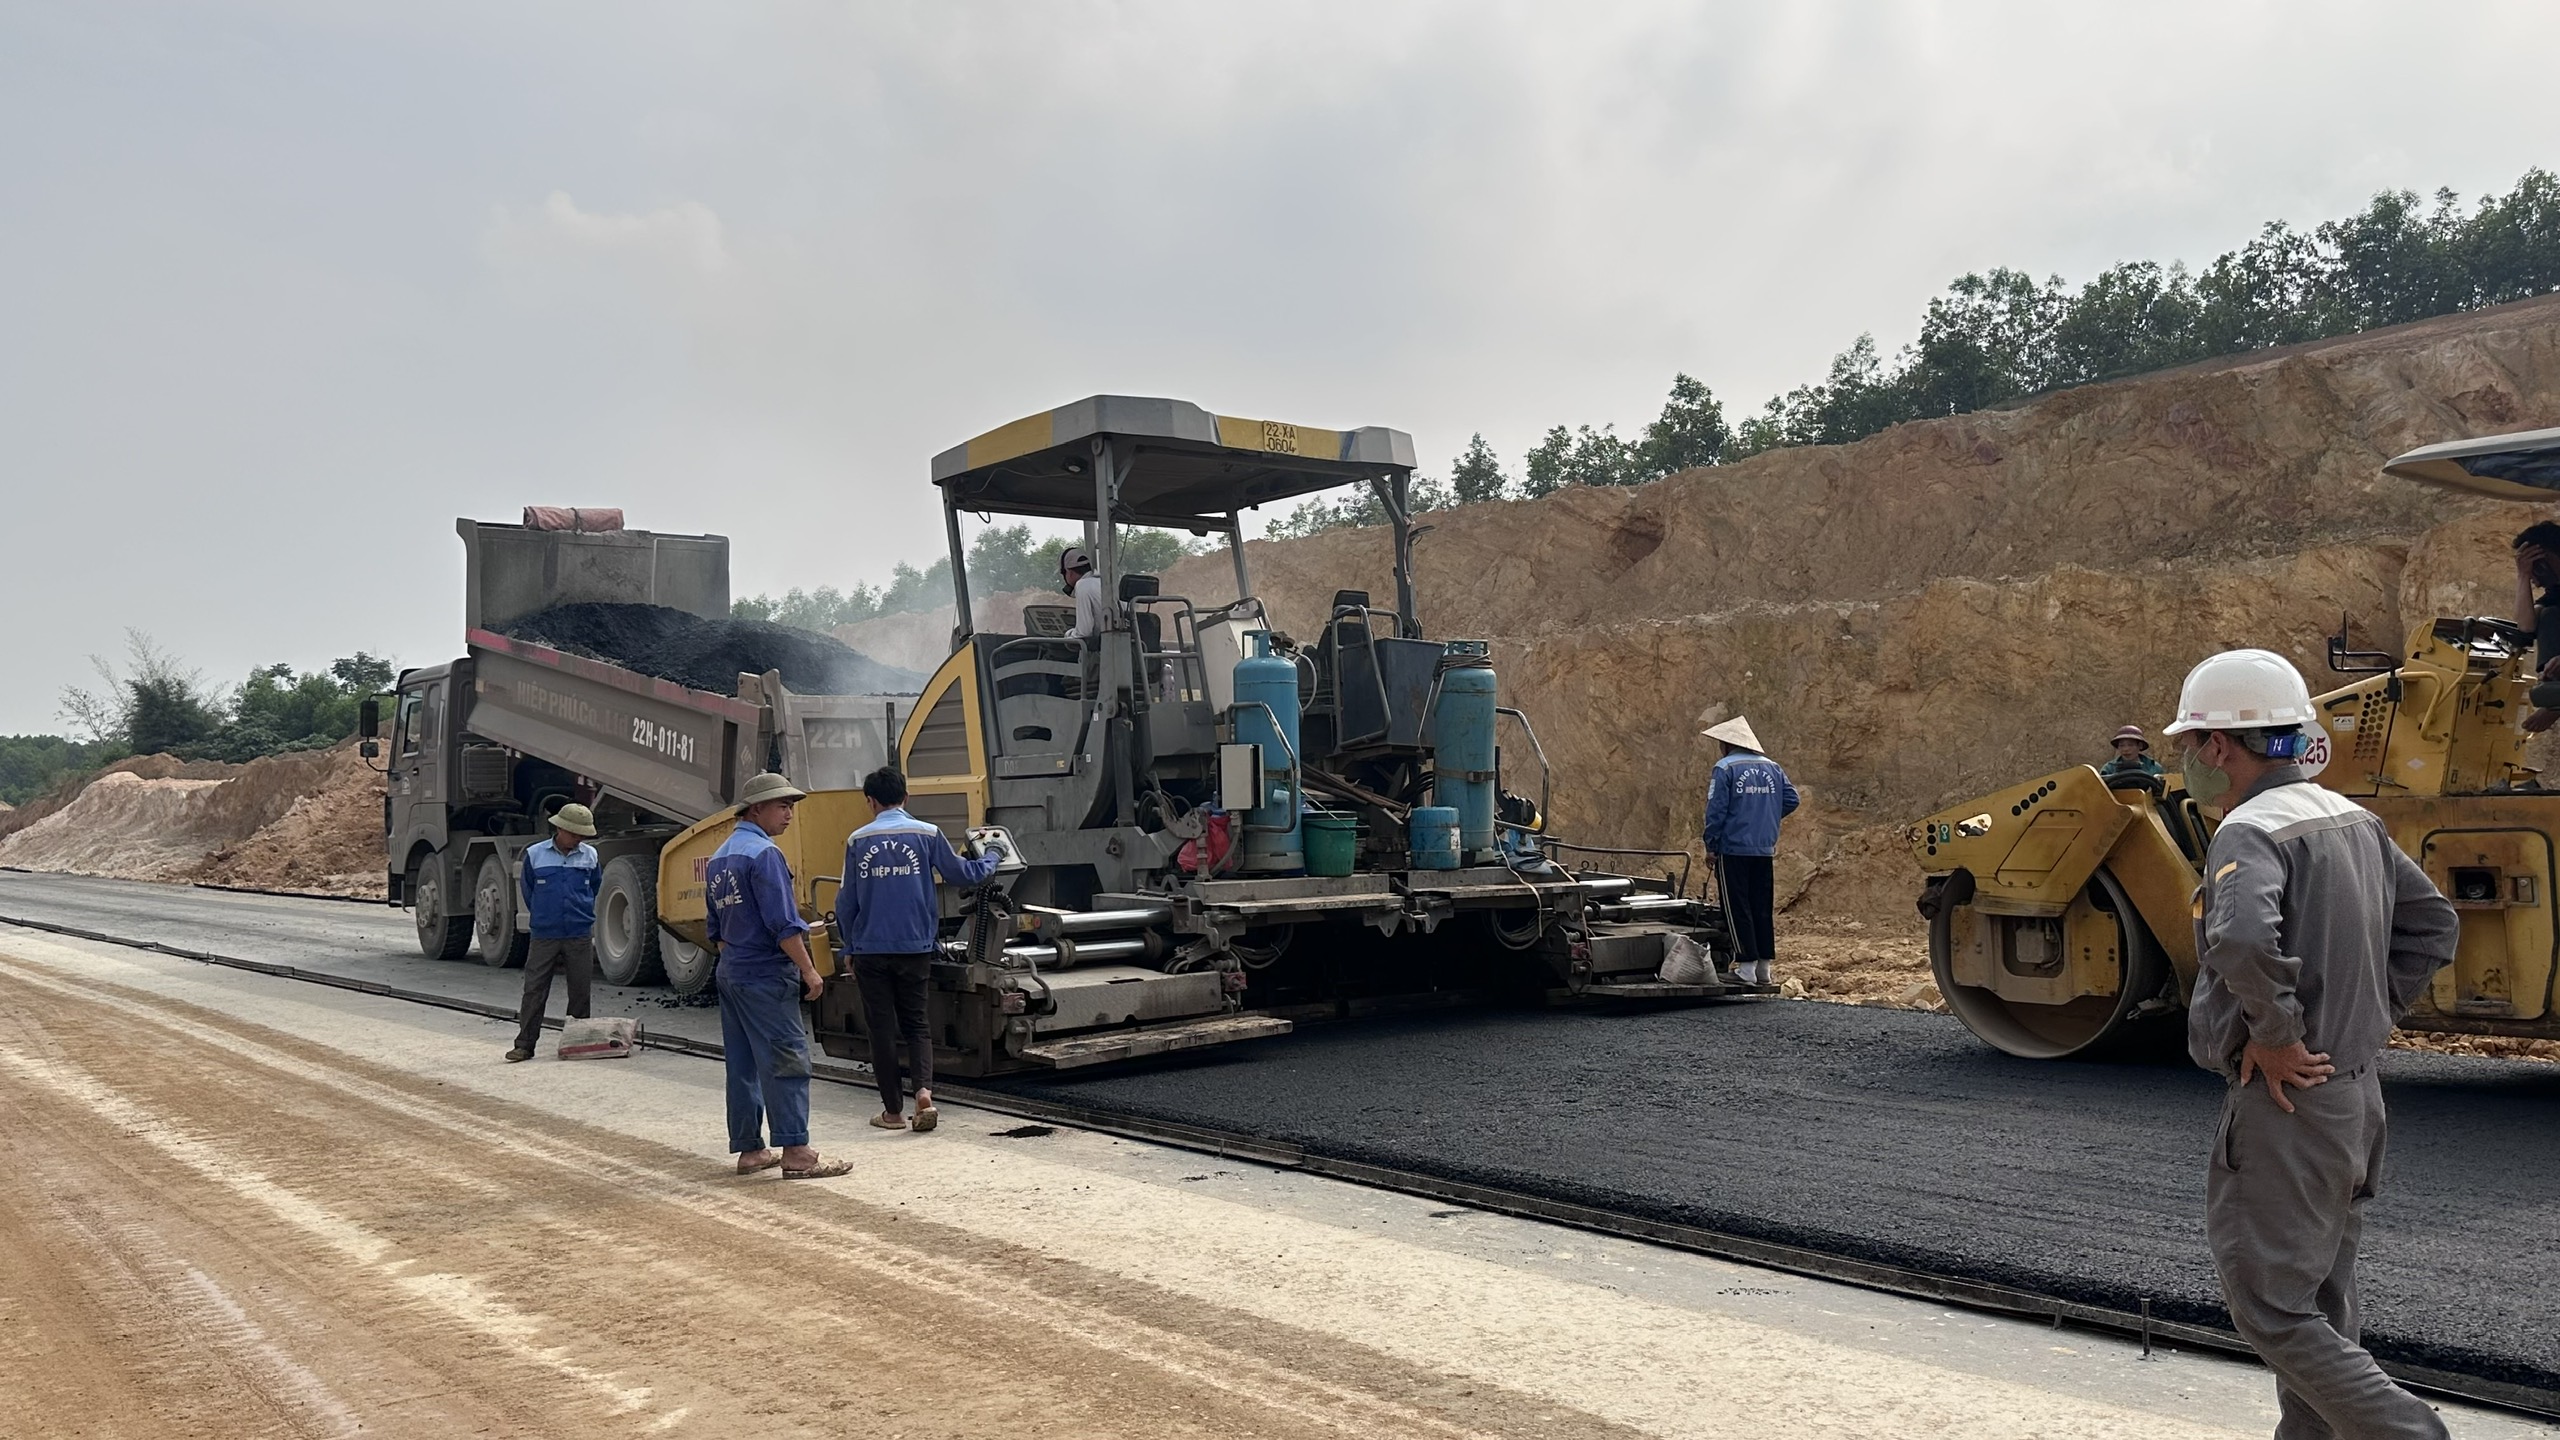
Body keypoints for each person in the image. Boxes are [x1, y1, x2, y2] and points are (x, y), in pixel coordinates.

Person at [2169, 648, 2458, 1439]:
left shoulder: (2249, 829)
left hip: (2289, 1099)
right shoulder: (2352, 819)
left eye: (2192, 745)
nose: (2189, 761)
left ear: (2221, 747)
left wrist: (2280, 1035)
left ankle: (2407, 1433)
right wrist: (2366, 1017)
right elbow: (2435, 925)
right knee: (2323, 1298)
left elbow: (2240, 941)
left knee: (2268, 1306)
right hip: (2356, 1098)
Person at [835, 766, 1000, 1132]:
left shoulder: (857, 840)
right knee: (917, 1024)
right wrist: (992, 855)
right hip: (915, 948)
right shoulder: (927, 833)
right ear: (906, 798)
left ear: (870, 802)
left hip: (870, 950)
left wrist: (849, 945)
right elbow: (964, 874)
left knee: (880, 1028)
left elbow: (846, 902)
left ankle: (892, 1113)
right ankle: (923, 1093)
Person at [705, 771, 851, 1179]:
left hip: (732, 971)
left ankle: (751, 1151)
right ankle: (797, 1152)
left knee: (743, 1064)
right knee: (787, 1058)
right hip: (766, 976)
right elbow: (783, 924)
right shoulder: (764, 855)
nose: (789, 814)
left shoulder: (719, 857)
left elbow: (715, 929)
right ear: (757, 809)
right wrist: (810, 971)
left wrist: (740, 956)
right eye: (782, 806)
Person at [1699, 716, 1798, 987]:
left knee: (1737, 907)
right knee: (1761, 907)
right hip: (1764, 848)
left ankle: (1745, 968)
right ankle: (1764, 968)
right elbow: (1792, 799)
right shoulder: (1773, 768)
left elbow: (1716, 810)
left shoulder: (1725, 768)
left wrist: (1712, 844)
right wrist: (1764, 816)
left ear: (1728, 744)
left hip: (1734, 848)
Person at [505, 802, 601, 1062]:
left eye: (582, 834)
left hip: (579, 933)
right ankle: (524, 1045)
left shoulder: (590, 856)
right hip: (544, 935)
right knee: (535, 989)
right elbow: (528, 890)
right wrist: (544, 916)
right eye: (574, 833)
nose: (578, 838)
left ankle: (577, 1044)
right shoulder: (535, 855)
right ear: (559, 829)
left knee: (580, 991)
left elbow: (594, 886)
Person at [2511, 521, 2560, 733]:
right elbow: (2525, 626)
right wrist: (2523, 575)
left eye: (2536, 572)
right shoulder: (2555, 595)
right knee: (2549, 616)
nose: (2537, 583)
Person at [1058, 544, 1110, 641]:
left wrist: (1068, 634)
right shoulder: (1105, 582)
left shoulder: (1083, 585)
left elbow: (1083, 632)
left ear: (1069, 572)